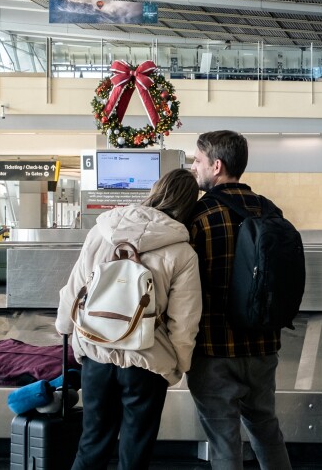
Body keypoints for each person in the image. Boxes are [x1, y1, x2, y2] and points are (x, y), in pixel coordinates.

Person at [55, 168, 202, 470]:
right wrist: (178, 366)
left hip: (97, 352)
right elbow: (184, 320)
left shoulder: (102, 230)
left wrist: (66, 332)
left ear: (155, 189)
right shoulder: (183, 252)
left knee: (92, 443)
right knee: (135, 453)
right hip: (147, 360)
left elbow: (74, 288)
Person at [187, 130, 292, 470]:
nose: (193, 167)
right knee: (267, 431)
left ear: (216, 166)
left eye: (197, 161)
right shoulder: (271, 211)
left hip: (215, 350)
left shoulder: (198, 216)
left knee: (224, 442)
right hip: (264, 345)